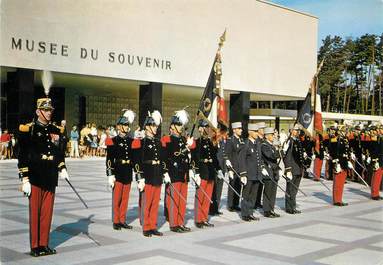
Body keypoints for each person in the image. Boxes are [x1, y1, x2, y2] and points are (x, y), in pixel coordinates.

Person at [17, 97, 69, 257]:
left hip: (50, 177)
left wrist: (62, 167)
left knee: (47, 213)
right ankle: (35, 246)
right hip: (35, 176)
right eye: (45, 110)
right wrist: (24, 178)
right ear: (38, 111)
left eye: (50, 110)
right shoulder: (29, 130)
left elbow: (59, 152)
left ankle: (44, 244)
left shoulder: (55, 130)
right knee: (35, 213)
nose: (48, 112)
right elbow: (22, 155)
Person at [133, 110, 168, 237]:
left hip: (157, 175)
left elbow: (163, 158)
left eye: (156, 126)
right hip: (147, 175)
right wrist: (139, 177)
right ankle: (146, 227)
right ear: (147, 127)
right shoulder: (142, 142)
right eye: (153, 126)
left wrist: (164, 172)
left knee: (154, 203)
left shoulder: (158, 142)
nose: (155, 128)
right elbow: (137, 161)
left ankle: (153, 226)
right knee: (147, 202)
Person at [161, 109, 194, 233]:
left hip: (183, 173)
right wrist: (165, 172)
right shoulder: (167, 139)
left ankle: (181, 222)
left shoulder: (183, 139)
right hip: (173, 173)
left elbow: (186, 156)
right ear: (172, 126)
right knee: (174, 200)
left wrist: (190, 169)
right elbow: (166, 156)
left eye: (181, 125)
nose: (181, 127)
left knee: (182, 200)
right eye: (179, 125)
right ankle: (174, 224)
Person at [106, 110, 135, 230]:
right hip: (118, 171)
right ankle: (116, 220)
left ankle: (122, 220)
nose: (127, 127)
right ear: (118, 126)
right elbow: (109, 159)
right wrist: (110, 174)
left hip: (128, 171)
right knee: (117, 198)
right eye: (125, 125)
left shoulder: (131, 141)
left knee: (125, 198)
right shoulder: (113, 141)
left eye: (128, 125)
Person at [192, 119, 220, 228]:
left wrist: (219, 169)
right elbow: (194, 158)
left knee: (208, 197)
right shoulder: (197, 142)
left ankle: (204, 218)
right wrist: (196, 172)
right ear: (200, 129)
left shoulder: (210, 142)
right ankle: (199, 220)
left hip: (210, 171)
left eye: (207, 127)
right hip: (202, 171)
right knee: (201, 197)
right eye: (205, 127)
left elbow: (214, 157)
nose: (207, 129)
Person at [238, 123, 267, 221]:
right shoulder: (245, 144)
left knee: (253, 196)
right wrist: (243, 174)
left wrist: (262, 167)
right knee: (246, 195)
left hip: (256, 174)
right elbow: (241, 160)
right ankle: (245, 214)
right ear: (250, 132)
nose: (256, 133)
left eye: (257, 131)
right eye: (255, 131)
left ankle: (250, 213)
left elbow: (260, 158)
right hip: (249, 174)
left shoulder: (257, 143)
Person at [283, 123, 305, 214]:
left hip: (298, 169)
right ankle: (289, 208)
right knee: (290, 189)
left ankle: (293, 206)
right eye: (296, 130)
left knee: (294, 190)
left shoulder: (297, 141)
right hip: (292, 169)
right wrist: (288, 169)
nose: (297, 132)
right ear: (291, 130)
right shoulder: (289, 141)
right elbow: (286, 156)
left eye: (298, 130)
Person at [328, 124, 351, 206]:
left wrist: (348, 160)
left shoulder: (345, 140)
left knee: (341, 183)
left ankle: (339, 199)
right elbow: (333, 152)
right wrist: (336, 163)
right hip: (338, 163)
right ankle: (336, 200)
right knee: (337, 183)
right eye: (344, 131)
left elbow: (346, 151)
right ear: (340, 132)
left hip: (344, 163)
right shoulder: (335, 139)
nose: (346, 132)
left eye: (346, 131)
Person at [261, 127, 281, 218]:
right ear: (267, 136)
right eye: (272, 135)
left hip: (274, 171)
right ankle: (267, 210)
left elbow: (276, 158)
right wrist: (279, 152)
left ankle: (271, 209)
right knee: (268, 191)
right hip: (268, 171)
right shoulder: (264, 145)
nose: (273, 136)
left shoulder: (272, 146)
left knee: (273, 192)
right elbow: (271, 156)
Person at [224, 122, 244, 212]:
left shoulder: (241, 140)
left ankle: (236, 204)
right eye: (239, 129)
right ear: (234, 130)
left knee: (238, 186)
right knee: (232, 186)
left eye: (241, 129)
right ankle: (230, 204)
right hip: (233, 167)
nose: (241, 130)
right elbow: (227, 155)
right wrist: (229, 169)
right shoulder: (230, 140)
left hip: (240, 167)